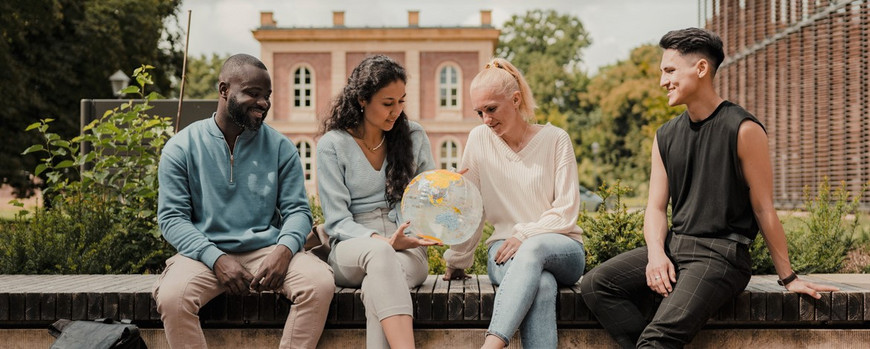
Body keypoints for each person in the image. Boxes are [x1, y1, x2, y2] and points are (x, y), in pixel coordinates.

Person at [580, 28, 839, 348]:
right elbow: (655, 208)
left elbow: (763, 208)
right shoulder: (665, 136)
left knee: (658, 338)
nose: (663, 81)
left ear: (701, 68)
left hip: (722, 256)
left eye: (670, 70)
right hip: (676, 247)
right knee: (596, 285)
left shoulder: (743, 129)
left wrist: (789, 277)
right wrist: (656, 254)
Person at [153, 54, 335, 349]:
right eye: (253, 93)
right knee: (173, 297)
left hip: (267, 252)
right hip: (203, 255)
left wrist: (284, 250)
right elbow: (172, 219)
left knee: (319, 284)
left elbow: (298, 211)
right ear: (224, 90)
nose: (263, 102)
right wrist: (216, 258)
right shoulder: (181, 147)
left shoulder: (281, 147)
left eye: (267, 96)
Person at [442, 58, 586, 349]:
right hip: (504, 251)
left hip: (562, 248)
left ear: (516, 99)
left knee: (533, 247)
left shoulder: (556, 140)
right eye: (479, 112)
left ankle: (491, 345)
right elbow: (472, 209)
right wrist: (457, 260)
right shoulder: (479, 140)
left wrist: (525, 234)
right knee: (542, 286)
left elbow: (567, 210)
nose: (486, 119)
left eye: (492, 109)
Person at [316, 55, 440, 349]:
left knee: (377, 285)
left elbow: (427, 198)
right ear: (362, 100)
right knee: (381, 254)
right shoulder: (332, 145)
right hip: (351, 247)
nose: (397, 111)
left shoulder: (413, 136)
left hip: (407, 247)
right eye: (388, 103)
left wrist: (445, 189)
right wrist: (383, 240)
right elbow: (336, 221)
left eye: (401, 102)